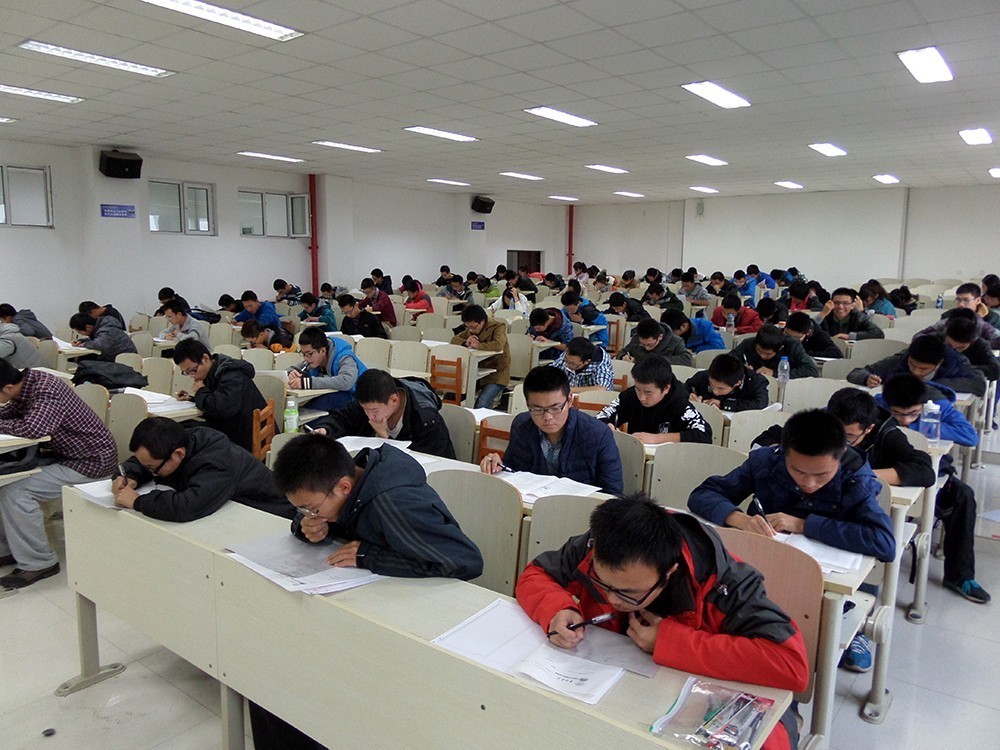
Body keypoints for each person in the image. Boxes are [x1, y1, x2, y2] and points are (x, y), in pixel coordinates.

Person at [516, 493, 810, 749]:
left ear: (669, 572)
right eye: (602, 584)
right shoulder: (598, 546)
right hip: (613, 692)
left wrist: (668, 641)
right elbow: (537, 574)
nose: (613, 599)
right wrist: (557, 609)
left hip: (694, 707)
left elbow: (791, 664)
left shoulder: (726, 583)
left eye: (629, 593)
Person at [248, 433, 483, 748]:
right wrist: (308, 529)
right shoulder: (346, 484)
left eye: (312, 509)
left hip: (419, 616)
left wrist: (368, 556)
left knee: (308, 685)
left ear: (343, 487)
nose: (310, 514)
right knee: (268, 678)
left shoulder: (393, 502)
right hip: (371, 600)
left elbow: (466, 561)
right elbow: (332, 517)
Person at [688, 408, 895, 562]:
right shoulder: (766, 461)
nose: (809, 483)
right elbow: (703, 494)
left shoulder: (856, 479)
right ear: (784, 453)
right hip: (758, 558)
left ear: (840, 458)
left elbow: (883, 542)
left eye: (822, 474)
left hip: (822, 574)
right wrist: (741, 520)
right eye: (798, 471)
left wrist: (802, 525)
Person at [0, 361, 117, 588]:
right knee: (6, 481)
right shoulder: (25, 386)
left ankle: (39, 562)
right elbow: (10, 413)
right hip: (66, 455)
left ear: (7, 388)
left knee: (15, 492)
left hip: (90, 461)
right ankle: (11, 549)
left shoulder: (45, 389)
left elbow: (34, 429)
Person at [875, 374, 989, 603]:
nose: (905, 420)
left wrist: (925, 425)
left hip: (930, 475)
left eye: (913, 413)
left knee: (963, 496)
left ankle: (960, 576)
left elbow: (969, 436)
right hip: (888, 474)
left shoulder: (939, 406)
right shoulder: (876, 405)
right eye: (897, 414)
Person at [112, 417, 296, 520]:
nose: (152, 473)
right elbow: (144, 460)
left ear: (178, 454)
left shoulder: (217, 461)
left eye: (152, 468)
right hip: (231, 511)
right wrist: (129, 475)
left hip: (272, 516)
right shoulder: (178, 439)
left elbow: (188, 506)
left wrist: (138, 501)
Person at [479, 366, 622, 493]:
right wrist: (498, 465)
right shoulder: (522, 425)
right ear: (528, 404)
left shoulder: (598, 434)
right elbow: (514, 472)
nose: (547, 417)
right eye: (537, 409)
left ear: (569, 400)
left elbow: (612, 493)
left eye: (555, 408)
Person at [313, 369, 455, 458]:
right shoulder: (371, 400)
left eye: (375, 411)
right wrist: (325, 429)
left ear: (394, 400)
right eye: (365, 409)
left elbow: (421, 463)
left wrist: (384, 438)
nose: (370, 416)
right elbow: (343, 417)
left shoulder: (426, 419)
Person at [172, 339, 265, 452]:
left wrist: (201, 391)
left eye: (193, 370)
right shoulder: (214, 372)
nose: (192, 376)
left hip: (245, 436)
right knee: (180, 428)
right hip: (234, 427)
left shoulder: (231, 374)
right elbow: (217, 399)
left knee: (186, 437)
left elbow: (222, 409)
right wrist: (192, 399)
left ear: (205, 358)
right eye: (186, 373)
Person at [596, 355, 711, 444]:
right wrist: (607, 426)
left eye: (648, 393)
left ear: (666, 388)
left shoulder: (679, 403)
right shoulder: (630, 395)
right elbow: (600, 416)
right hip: (637, 455)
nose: (641, 398)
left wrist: (657, 438)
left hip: (669, 458)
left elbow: (704, 434)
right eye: (638, 389)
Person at [846, 334, 986, 397]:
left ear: (939, 363)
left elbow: (979, 384)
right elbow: (856, 373)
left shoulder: (957, 362)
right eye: (912, 365)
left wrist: (932, 385)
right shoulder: (901, 359)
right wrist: (867, 378)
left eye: (923, 369)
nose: (916, 372)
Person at [288, 328, 368, 411]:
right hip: (340, 397)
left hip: (360, 400)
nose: (306, 358)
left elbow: (346, 381)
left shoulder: (345, 357)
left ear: (323, 351)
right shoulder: (312, 361)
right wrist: (291, 374)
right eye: (303, 354)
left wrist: (307, 383)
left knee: (323, 403)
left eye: (309, 354)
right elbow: (290, 370)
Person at [450, 305, 510, 409]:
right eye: (467, 327)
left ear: (482, 321)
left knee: (481, 405)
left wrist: (478, 346)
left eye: (473, 327)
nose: (470, 330)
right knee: (452, 396)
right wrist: (466, 342)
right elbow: (454, 340)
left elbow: (498, 345)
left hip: (496, 374)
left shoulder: (498, 327)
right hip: (476, 372)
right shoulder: (471, 329)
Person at [917, 283, 1000, 347]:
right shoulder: (948, 316)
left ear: (978, 300)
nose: (961, 304)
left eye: (966, 300)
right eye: (958, 300)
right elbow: (921, 336)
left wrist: (970, 344)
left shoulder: (992, 317)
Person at [686, 353, 769, 412]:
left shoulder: (756, 381)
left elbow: (760, 404)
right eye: (711, 385)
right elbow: (683, 388)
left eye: (721, 388)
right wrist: (690, 396)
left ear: (737, 383)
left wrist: (723, 404)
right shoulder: (705, 375)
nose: (715, 391)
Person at [732, 325, 818, 378]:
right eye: (759, 350)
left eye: (768, 354)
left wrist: (775, 373)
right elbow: (728, 360)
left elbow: (811, 371)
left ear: (780, 348)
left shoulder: (792, 346)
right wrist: (741, 368)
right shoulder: (748, 343)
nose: (762, 356)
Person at [941, 310, 1000, 382]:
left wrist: (964, 369)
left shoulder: (980, 345)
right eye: (949, 345)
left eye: (960, 347)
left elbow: (995, 370)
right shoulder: (937, 339)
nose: (953, 349)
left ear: (972, 341)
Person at [616, 318, 693, 367]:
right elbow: (622, 352)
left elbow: (687, 360)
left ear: (660, 337)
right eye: (643, 345)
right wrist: (623, 357)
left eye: (650, 344)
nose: (647, 348)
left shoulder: (675, 342)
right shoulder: (637, 339)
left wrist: (659, 360)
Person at [549, 337, 614, 393]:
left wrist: (568, 389)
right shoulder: (569, 355)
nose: (567, 365)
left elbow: (602, 389)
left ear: (587, 362)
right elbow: (552, 370)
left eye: (573, 364)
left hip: (594, 400)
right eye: (566, 360)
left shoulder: (600, 365)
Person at [817, 287, 885, 340]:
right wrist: (822, 314)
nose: (840, 307)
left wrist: (849, 336)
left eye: (845, 303)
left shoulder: (858, 317)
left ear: (852, 305)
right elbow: (810, 330)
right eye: (837, 303)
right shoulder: (826, 316)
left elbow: (878, 334)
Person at [68, 311, 137, 361]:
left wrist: (83, 344)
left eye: (80, 332)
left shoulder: (107, 330)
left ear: (88, 327)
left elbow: (100, 345)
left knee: (86, 364)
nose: (82, 334)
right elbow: (98, 340)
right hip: (115, 357)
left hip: (126, 360)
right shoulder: (102, 326)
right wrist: (81, 341)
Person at [660, 309, 726, 353]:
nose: (669, 334)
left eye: (672, 332)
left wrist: (694, 349)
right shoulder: (666, 329)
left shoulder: (704, 326)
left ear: (683, 326)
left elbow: (719, 347)